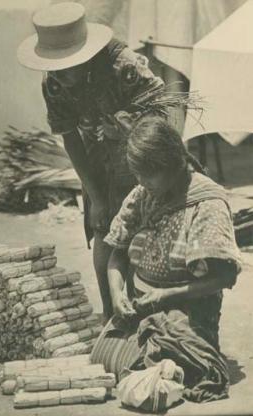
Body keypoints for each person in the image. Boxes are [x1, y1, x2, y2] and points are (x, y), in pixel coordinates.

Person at [17, 2, 173, 321]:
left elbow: (164, 113)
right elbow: (70, 136)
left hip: (141, 159)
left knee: (145, 237)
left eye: (67, 67)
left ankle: (153, 313)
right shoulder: (54, 83)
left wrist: (129, 126)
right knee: (104, 229)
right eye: (54, 68)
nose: (60, 76)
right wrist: (96, 195)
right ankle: (111, 314)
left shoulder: (124, 66)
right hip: (98, 163)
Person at [90, 116, 242, 403]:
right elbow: (117, 254)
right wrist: (116, 293)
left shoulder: (206, 202)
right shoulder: (143, 195)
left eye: (148, 175)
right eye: (138, 175)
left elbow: (225, 277)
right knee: (104, 359)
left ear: (171, 164)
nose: (142, 182)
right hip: (141, 306)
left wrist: (166, 295)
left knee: (173, 361)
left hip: (188, 308)